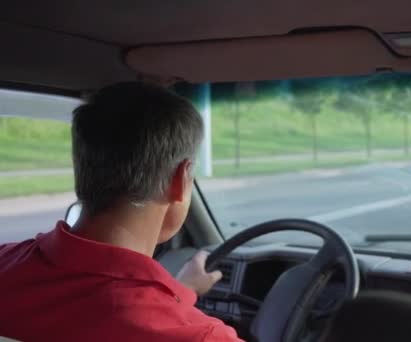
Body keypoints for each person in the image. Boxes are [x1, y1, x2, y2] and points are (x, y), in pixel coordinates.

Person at [0, 82, 243, 341]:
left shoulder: (6, 265)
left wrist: (181, 290)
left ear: (81, 167)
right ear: (181, 181)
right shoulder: (202, 337)